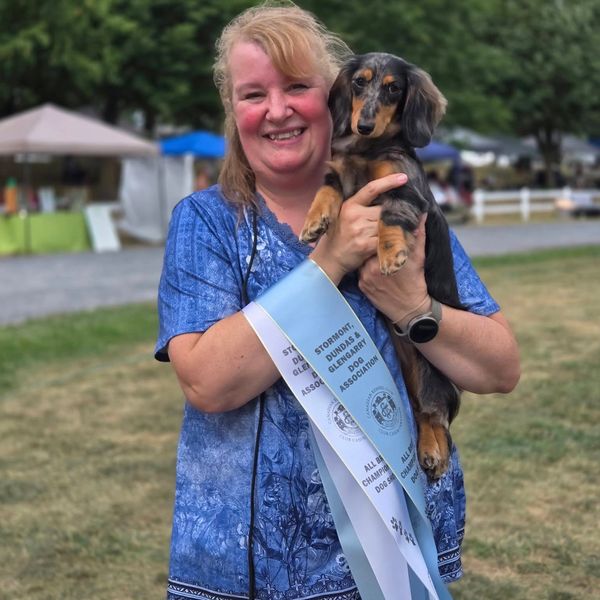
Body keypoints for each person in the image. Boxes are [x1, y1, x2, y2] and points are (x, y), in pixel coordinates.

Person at [154, 3, 521, 599]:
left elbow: (501, 368)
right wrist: (329, 262)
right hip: (248, 564)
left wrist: (414, 309)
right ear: (234, 111)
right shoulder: (208, 221)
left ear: (331, 97)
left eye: (297, 87)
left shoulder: (402, 202)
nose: (276, 109)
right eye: (253, 94)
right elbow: (207, 383)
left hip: (393, 551)